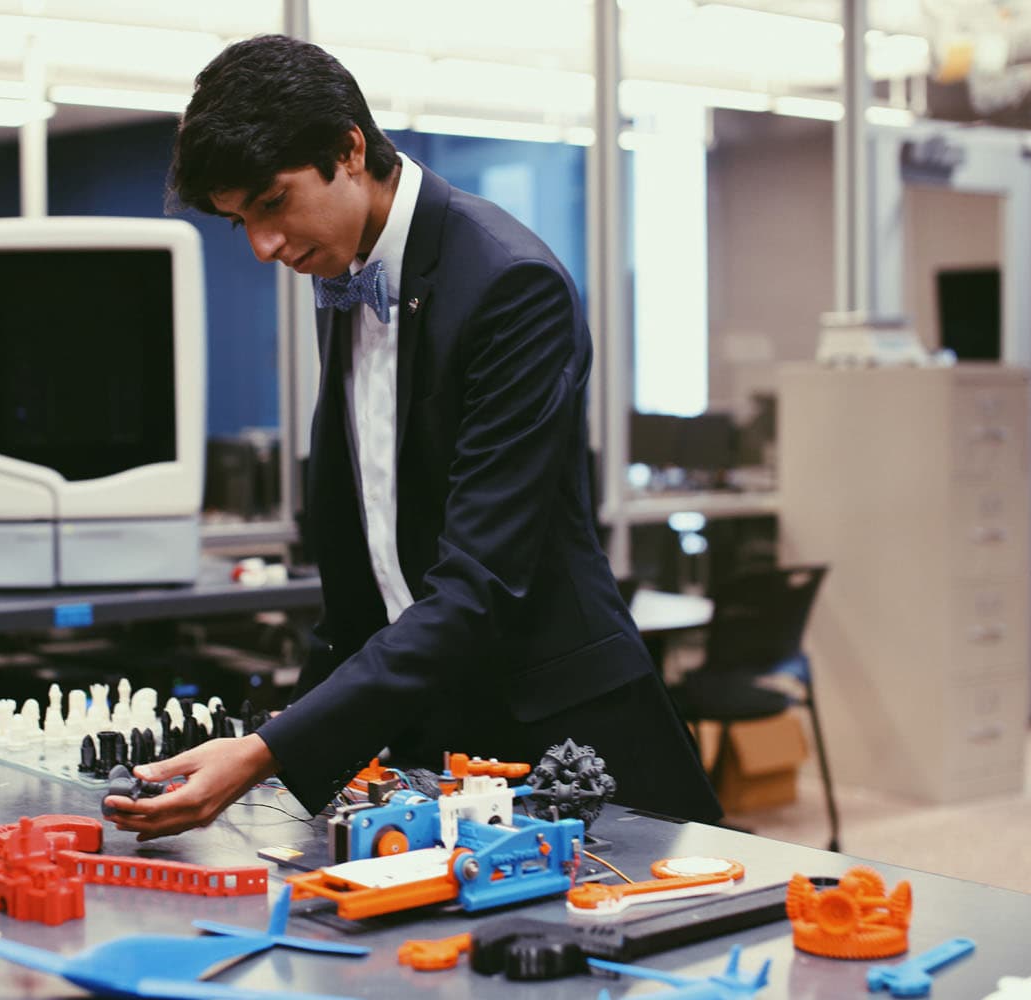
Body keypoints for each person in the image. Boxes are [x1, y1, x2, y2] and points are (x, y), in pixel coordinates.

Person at [105, 34, 721, 838]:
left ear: (348, 150)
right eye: (238, 223)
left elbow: (477, 586)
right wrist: (278, 741)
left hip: (565, 734)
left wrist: (265, 753)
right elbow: (370, 570)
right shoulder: (344, 273)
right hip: (440, 729)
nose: (262, 246)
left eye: (271, 204)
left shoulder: (509, 284)